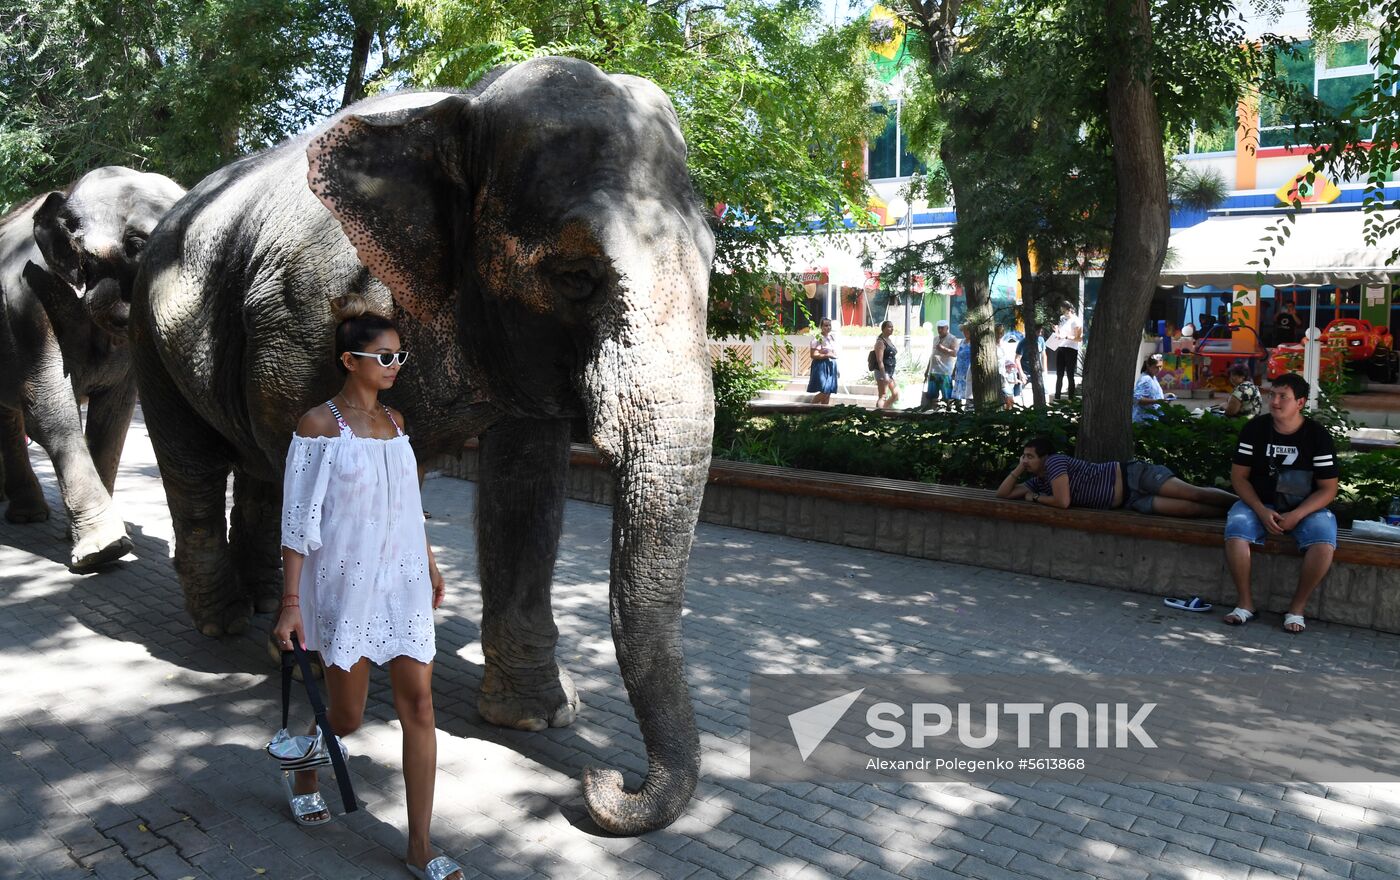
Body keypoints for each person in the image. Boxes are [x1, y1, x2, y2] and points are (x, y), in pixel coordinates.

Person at [274, 294, 464, 880]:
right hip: (347, 585)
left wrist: (429, 564)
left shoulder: (397, 424)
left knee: (420, 707)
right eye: (383, 357)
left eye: (399, 356)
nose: (394, 366)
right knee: (347, 716)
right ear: (348, 360)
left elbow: (407, 506)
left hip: (402, 581)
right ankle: (304, 766)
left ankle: (419, 846)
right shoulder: (317, 426)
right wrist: (290, 604)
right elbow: (297, 523)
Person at [1222, 373, 1339, 634]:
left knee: (1324, 539)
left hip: (1304, 507)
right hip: (1259, 503)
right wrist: (1261, 510)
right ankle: (1245, 604)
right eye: (1272, 395)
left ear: (1300, 402)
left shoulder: (1317, 436)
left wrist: (1298, 514)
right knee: (1237, 528)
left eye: (1283, 396)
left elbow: (1328, 488)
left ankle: (1296, 609)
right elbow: (1239, 478)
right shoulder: (1254, 429)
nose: (1274, 402)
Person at [996, 437, 1236, 517]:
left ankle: (1243, 503)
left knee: (1195, 494)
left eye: (1030, 457)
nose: (1025, 460)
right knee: (1188, 509)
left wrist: (1036, 498)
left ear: (1044, 458)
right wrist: (1018, 470)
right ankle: (1233, 514)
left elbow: (1062, 502)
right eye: (1023, 456)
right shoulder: (1038, 481)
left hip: (1134, 476)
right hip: (1131, 501)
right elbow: (1003, 494)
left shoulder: (1055, 462)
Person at [921, 319, 959, 407]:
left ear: (947, 328)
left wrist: (943, 349)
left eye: (942, 328)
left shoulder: (953, 339)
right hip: (933, 370)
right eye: (938, 328)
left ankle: (948, 410)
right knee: (932, 396)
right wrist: (927, 370)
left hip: (945, 371)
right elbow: (932, 355)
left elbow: (955, 353)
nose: (940, 330)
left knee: (947, 395)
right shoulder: (935, 338)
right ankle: (933, 410)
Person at [807, 318, 839, 405]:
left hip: (831, 365)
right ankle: (809, 408)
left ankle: (823, 411)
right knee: (825, 391)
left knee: (829, 392)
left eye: (829, 325)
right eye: (826, 325)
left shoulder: (831, 338)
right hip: (822, 365)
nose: (828, 327)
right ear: (821, 327)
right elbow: (813, 355)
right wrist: (826, 355)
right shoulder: (817, 339)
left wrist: (837, 370)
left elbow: (834, 353)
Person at [1052, 305, 1082, 399]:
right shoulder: (1062, 318)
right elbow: (1059, 334)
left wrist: (1065, 337)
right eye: (1062, 311)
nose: (1063, 313)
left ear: (1070, 310)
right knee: (1059, 375)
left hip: (1071, 349)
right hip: (1061, 347)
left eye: (1064, 311)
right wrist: (1056, 330)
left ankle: (1071, 398)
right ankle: (1057, 397)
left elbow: (1078, 338)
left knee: (1070, 375)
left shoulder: (1076, 320)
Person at [1132, 355, 1171, 423]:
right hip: (1144, 420)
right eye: (1156, 367)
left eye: (1160, 367)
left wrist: (1165, 397)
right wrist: (1157, 401)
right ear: (1148, 366)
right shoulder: (1145, 379)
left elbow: (1152, 395)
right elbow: (1137, 399)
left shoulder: (1153, 377)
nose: (1159, 369)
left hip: (1153, 418)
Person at [874, 320, 900, 409]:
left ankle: (883, 409)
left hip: (890, 372)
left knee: (896, 394)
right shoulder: (880, 342)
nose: (892, 329)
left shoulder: (889, 340)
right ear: (883, 329)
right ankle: (880, 413)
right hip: (882, 372)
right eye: (889, 327)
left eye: (892, 327)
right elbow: (879, 360)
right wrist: (884, 375)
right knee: (883, 395)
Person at [996, 325, 1023, 409]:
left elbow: (1007, 360)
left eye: (1002, 333)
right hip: (996, 374)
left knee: (1009, 397)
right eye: (998, 333)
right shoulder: (991, 346)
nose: (1000, 335)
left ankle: (1008, 413)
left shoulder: (1004, 344)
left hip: (1004, 374)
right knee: (1008, 395)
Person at [951, 323, 972, 401]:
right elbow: (958, 357)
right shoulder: (962, 341)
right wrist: (954, 370)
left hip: (968, 371)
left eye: (967, 330)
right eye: (964, 330)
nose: (965, 332)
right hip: (959, 371)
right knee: (958, 394)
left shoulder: (973, 343)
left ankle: (968, 406)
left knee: (968, 392)